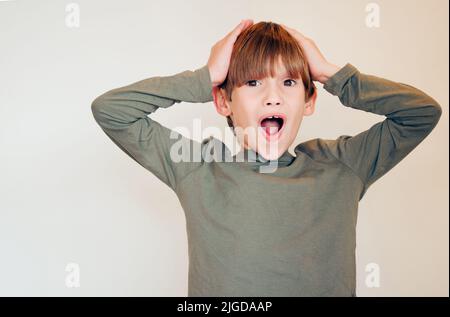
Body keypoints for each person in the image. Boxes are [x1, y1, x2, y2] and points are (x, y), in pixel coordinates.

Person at [91, 20, 442, 296]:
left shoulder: (341, 165)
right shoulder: (199, 167)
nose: (273, 98)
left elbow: (422, 113)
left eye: (289, 83)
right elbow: (111, 111)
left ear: (309, 101)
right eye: (253, 83)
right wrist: (205, 78)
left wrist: (331, 75)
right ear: (223, 102)